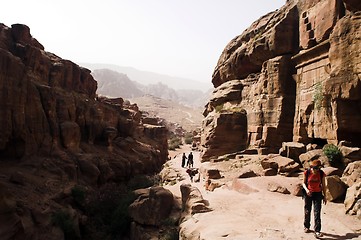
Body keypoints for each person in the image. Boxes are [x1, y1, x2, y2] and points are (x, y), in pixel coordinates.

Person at [302, 160, 327, 238]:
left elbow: (323, 185)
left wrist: (325, 196)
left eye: (318, 168)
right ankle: (306, 226)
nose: (317, 170)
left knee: (317, 212)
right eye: (316, 168)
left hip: (318, 194)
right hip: (308, 193)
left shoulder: (321, 173)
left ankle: (317, 231)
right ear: (312, 167)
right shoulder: (307, 172)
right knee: (307, 210)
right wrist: (307, 190)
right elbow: (303, 183)